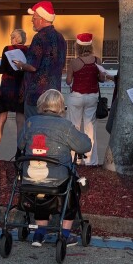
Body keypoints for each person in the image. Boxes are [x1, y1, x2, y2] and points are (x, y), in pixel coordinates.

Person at [19, 89, 91, 248]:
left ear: (41, 104)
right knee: (73, 190)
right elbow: (85, 146)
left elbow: (20, 145)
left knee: (40, 192)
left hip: (30, 176)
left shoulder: (30, 122)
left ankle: (39, 233)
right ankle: (65, 234)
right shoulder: (65, 126)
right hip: (57, 178)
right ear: (60, 107)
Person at [13, 1, 67, 123]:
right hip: (54, 94)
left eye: (34, 18)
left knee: (34, 127)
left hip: (36, 94)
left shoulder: (39, 37)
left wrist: (21, 65)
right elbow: (61, 63)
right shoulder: (60, 37)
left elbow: (32, 66)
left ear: (42, 19)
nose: (32, 21)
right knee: (50, 127)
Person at [65, 33, 110, 166]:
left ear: (78, 47)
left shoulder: (74, 62)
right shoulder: (97, 60)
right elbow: (102, 79)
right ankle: (91, 160)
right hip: (92, 96)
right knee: (90, 128)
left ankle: (73, 158)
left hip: (76, 96)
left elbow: (68, 81)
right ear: (90, 46)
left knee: (74, 127)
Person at [0, 28, 28, 163]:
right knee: (20, 120)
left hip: (7, 86)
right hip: (21, 86)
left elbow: (3, 68)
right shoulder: (27, 50)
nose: (11, 39)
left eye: (12, 37)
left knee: (1, 119)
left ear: (16, 38)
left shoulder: (7, 49)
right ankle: (19, 152)